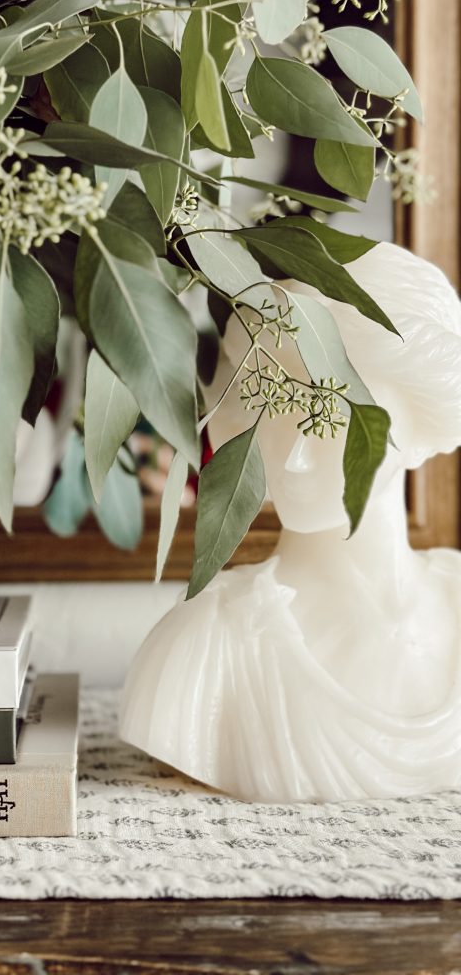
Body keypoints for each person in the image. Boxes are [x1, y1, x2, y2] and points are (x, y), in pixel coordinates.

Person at [119, 242, 461, 803]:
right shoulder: (208, 645)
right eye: (273, 411)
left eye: (333, 414)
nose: (293, 458)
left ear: (422, 426)